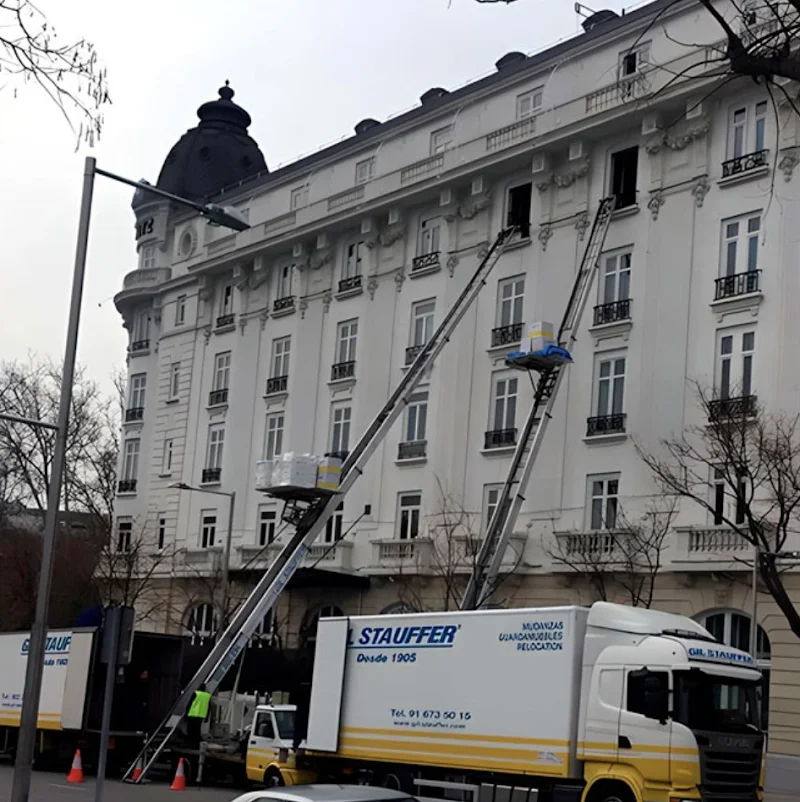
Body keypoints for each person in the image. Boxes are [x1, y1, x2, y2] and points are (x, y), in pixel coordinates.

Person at [186, 683, 211, 749]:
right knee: (197, 729)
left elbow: (190, 704)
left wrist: (186, 713)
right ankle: (196, 744)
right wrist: (207, 717)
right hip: (201, 715)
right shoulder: (207, 696)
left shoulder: (196, 693)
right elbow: (209, 707)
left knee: (191, 730)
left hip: (193, 714)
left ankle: (191, 744)